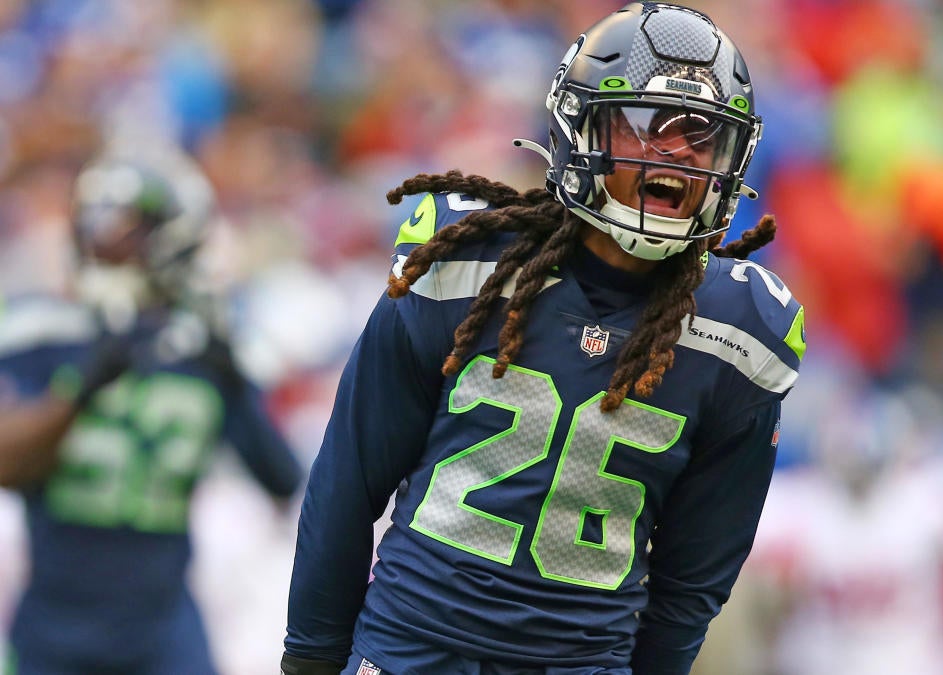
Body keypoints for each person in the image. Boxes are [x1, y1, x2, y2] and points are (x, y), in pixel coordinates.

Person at [281, 3, 806, 674]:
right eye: (649, 126)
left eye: (702, 135)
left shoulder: (737, 334)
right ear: (579, 130)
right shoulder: (463, 264)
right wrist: (310, 660)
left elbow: (689, 586)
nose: (676, 151)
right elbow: (348, 488)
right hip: (414, 652)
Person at [0, 146, 304, 675]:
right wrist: (82, 389)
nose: (105, 239)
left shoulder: (201, 349)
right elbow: (6, 464)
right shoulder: (41, 330)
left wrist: (232, 379)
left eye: (125, 225)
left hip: (162, 627)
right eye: (96, 221)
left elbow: (281, 478)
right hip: (55, 624)